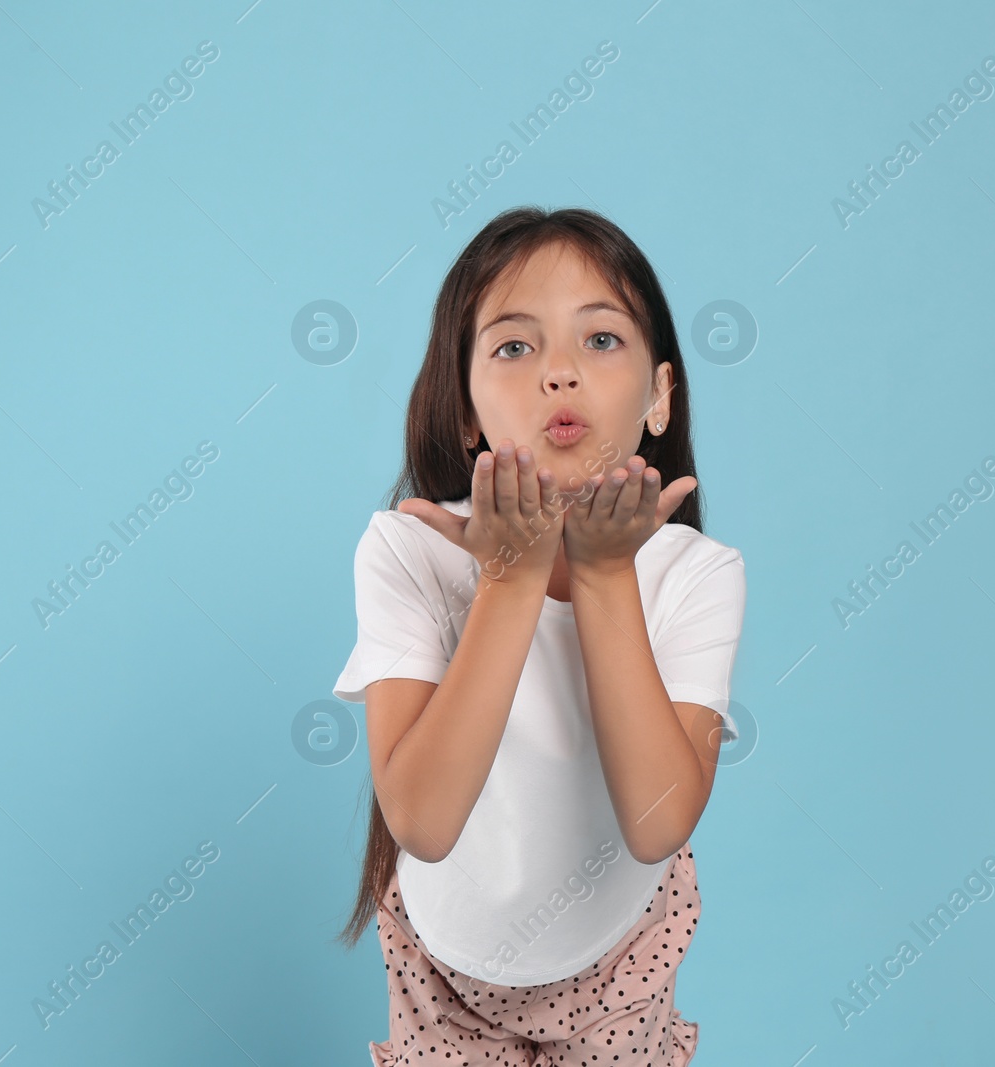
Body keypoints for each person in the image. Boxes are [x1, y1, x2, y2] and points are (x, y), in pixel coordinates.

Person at [332, 205, 746, 1066]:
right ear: (467, 410)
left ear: (661, 395)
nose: (559, 372)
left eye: (600, 341)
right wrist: (511, 576)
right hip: (444, 964)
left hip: (619, 955)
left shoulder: (697, 573)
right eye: (514, 347)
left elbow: (659, 824)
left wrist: (602, 575)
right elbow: (424, 820)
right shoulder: (405, 548)